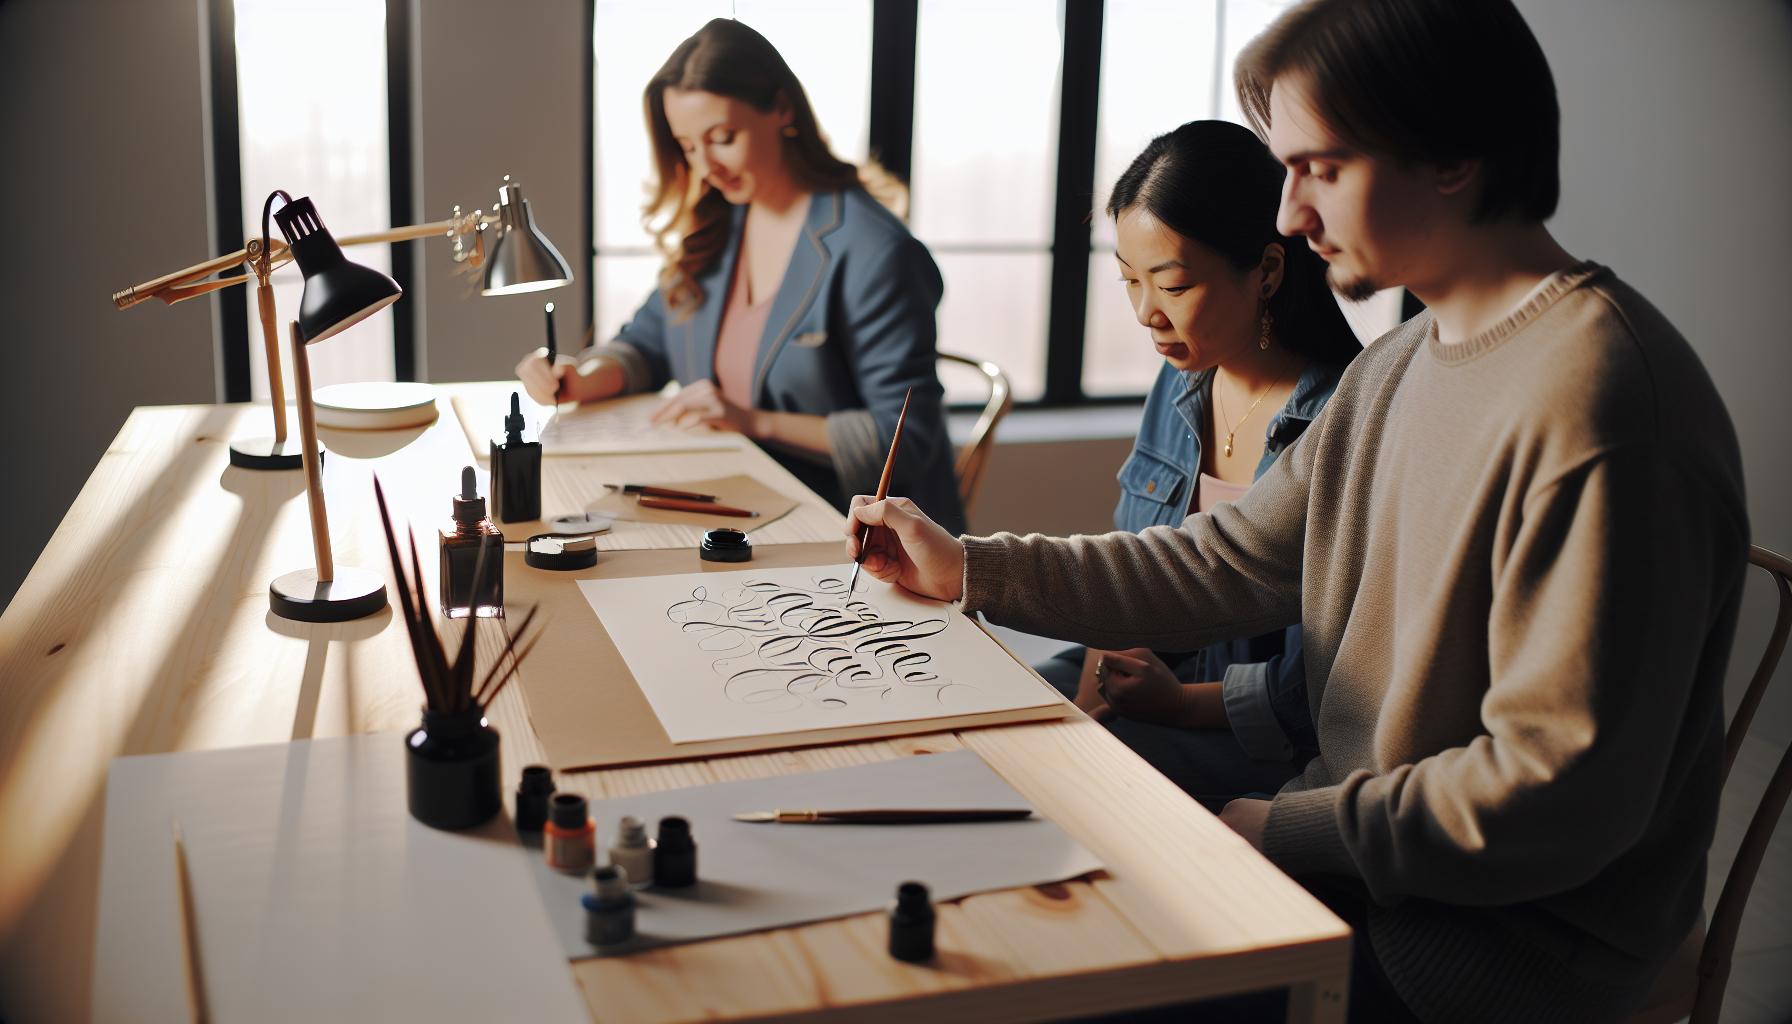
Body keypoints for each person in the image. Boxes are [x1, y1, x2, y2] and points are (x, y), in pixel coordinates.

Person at [843, 1, 1748, 1020]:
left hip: (1486, 949)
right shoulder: (1405, 362)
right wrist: (969, 565)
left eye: (1319, 168)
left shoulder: (1603, 401)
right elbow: (1220, 561)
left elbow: (1554, 796)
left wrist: (1282, 829)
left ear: (1448, 156)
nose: (1286, 214)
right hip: (1353, 865)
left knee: (1029, 980)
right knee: (970, 874)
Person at [516, 18, 964, 533]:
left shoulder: (875, 251)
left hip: (848, 534)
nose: (706, 167)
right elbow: (648, 342)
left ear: (782, 108)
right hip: (733, 506)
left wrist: (753, 421)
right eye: (687, 146)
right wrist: (581, 379)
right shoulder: (720, 222)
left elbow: (906, 442)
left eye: (723, 138)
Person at [1033, 120, 1360, 810]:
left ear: (1268, 269)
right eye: (1128, 281)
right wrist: (1101, 674)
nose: (1147, 313)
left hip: (1262, 728)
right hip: (1156, 674)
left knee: (1071, 777)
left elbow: (1331, 685)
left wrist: (1178, 704)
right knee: (1002, 707)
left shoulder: (1344, 417)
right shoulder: (1183, 380)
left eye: (1173, 286)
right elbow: (1131, 563)